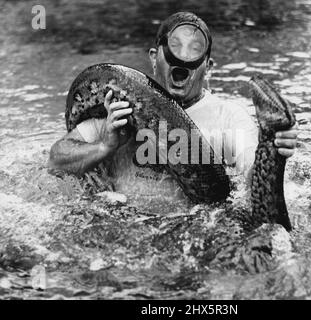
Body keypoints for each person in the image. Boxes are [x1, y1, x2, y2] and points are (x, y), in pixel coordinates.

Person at [49, 12, 298, 199]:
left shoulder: (229, 117)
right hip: (122, 227)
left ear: (208, 68)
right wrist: (104, 146)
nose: (183, 58)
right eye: (174, 47)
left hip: (195, 233)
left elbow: (251, 176)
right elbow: (56, 162)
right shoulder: (115, 111)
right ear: (154, 58)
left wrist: (273, 151)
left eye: (194, 51)